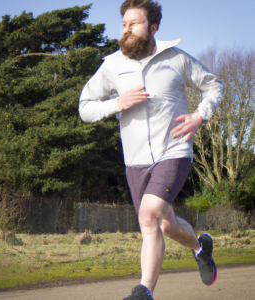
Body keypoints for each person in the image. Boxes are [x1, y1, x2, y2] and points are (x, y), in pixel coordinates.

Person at [79, 0, 224, 299]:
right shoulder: (112, 66)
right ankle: (200, 247)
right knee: (167, 225)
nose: (127, 29)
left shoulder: (177, 59)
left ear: (153, 27)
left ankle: (144, 292)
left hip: (174, 151)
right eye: (124, 24)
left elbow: (214, 86)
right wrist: (116, 104)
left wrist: (199, 116)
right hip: (135, 161)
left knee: (149, 215)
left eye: (134, 23)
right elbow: (85, 108)